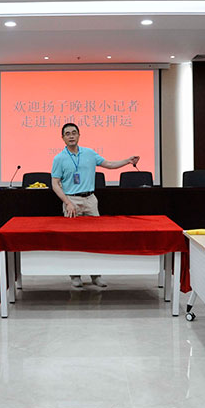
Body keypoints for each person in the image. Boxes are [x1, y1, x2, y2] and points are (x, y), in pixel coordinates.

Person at [50, 122, 140, 288]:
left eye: (74, 133)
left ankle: (96, 275)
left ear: (79, 135)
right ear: (62, 138)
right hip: (71, 201)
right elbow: (55, 184)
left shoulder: (90, 153)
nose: (71, 136)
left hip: (90, 200)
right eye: (67, 134)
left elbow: (109, 164)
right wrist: (67, 203)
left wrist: (127, 161)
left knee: (95, 239)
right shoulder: (59, 158)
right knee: (73, 241)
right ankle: (75, 276)